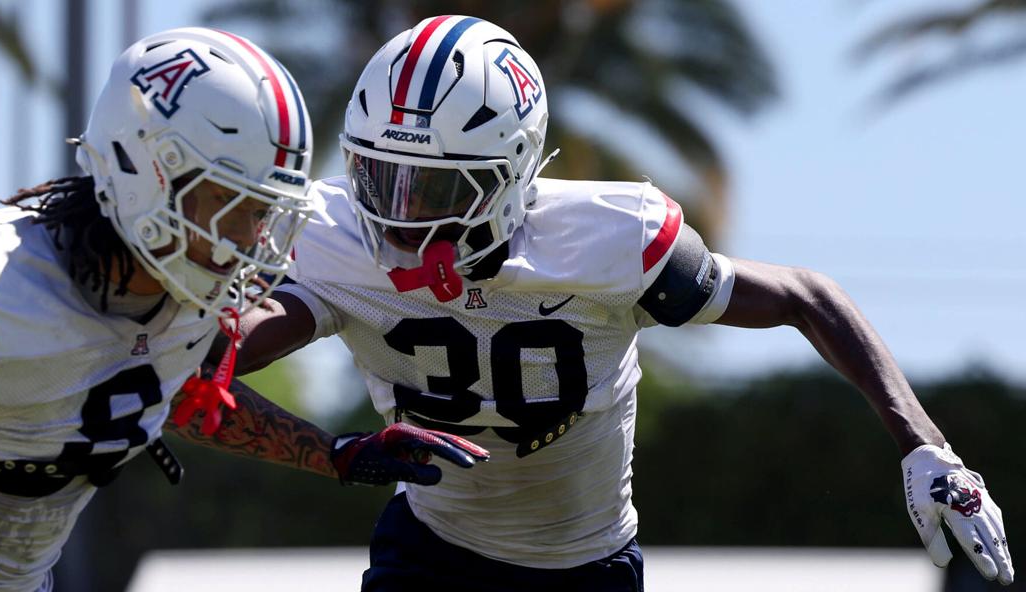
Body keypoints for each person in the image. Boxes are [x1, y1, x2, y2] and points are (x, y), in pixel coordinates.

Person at [232, 15, 1015, 591]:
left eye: (433, 188)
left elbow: (808, 297)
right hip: (429, 555)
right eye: (379, 178)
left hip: (588, 569)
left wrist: (926, 445)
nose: (400, 216)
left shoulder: (609, 240)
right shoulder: (333, 238)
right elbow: (224, 354)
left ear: (511, 174)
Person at [0, 27, 486, 592]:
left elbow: (172, 393)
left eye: (265, 211)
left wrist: (338, 453)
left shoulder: (182, 296)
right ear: (148, 172)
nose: (255, 238)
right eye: (237, 203)